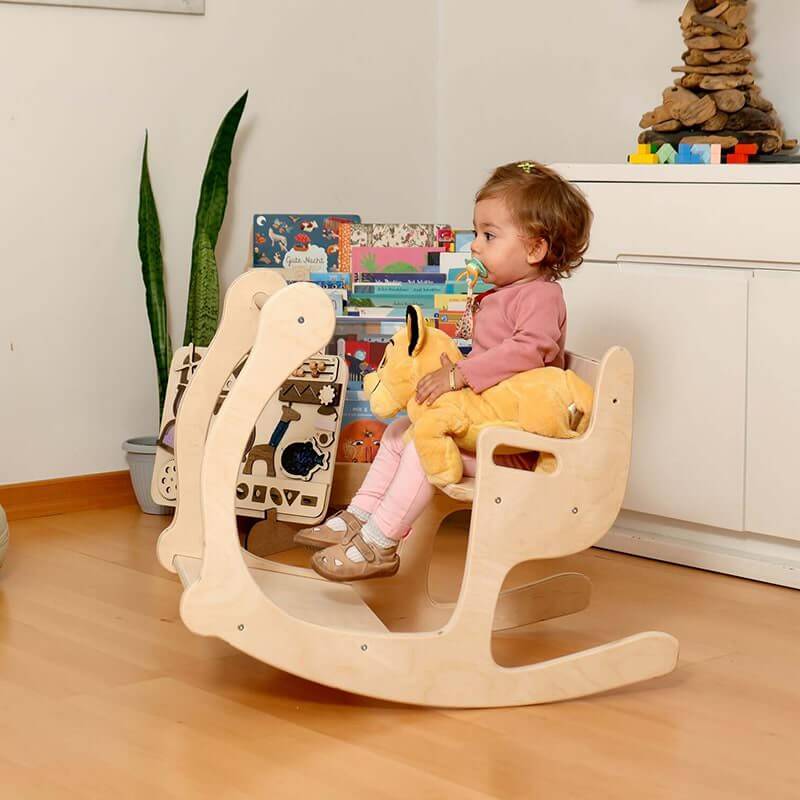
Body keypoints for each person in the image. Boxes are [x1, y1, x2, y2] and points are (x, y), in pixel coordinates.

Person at [297, 161, 593, 581]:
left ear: (535, 250)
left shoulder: (540, 297)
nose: (475, 246)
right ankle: (361, 514)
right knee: (399, 432)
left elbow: (530, 351)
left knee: (421, 446)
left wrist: (459, 375)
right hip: (486, 424)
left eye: (488, 235)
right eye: (476, 233)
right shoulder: (500, 295)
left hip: (513, 445)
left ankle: (381, 542)